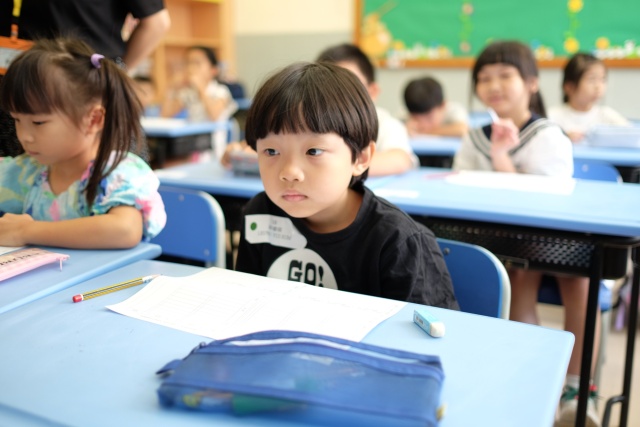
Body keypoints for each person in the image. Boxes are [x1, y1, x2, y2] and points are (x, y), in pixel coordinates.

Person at [453, 41, 600, 427]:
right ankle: (534, 381)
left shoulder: (548, 135)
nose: (493, 85)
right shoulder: (474, 137)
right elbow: (458, 188)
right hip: (499, 241)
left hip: (555, 236)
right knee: (517, 273)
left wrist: (502, 159)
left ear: (532, 83)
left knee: (579, 280)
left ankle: (578, 390)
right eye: (484, 78)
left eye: (505, 76)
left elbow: (547, 201)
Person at [234, 61, 458, 309]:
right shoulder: (260, 212)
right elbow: (247, 302)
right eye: (271, 151)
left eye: (313, 151)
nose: (289, 173)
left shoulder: (398, 241)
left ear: (360, 158)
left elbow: (424, 328)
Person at [0, 37, 166, 249]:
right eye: (17, 120)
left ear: (94, 120)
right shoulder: (27, 170)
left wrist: (25, 231)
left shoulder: (117, 174)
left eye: (38, 122)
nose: (24, 136)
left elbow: (125, 230)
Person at [316, 43, 418, 176]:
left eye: (349, 87)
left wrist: (335, 165)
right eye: (327, 88)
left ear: (372, 92)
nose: (338, 97)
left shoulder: (385, 124)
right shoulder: (311, 122)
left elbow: (400, 160)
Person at [161, 45, 238, 160]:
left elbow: (214, 116)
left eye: (197, 63)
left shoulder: (220, 91)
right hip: (191, 145)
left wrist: (200, 87)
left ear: (213, 70)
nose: (191, 68)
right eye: (188, 63)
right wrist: (172, 88)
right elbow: (165, 115)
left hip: (214, 149)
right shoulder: (188, 93)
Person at [548, 52, 631, 143]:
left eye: (603, 79)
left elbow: (630, 136)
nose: (598, 86)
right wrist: (564, 137)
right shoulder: (552, 116)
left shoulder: (607, 116)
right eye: (591, 79)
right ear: (569, 86)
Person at [403, 76, 469, 137]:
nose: (424, 125)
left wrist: (423, 132)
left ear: (443, 105)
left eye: (429, 118)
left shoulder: (454, 110)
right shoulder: (407, 112)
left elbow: (463, 129)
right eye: (417, 119)